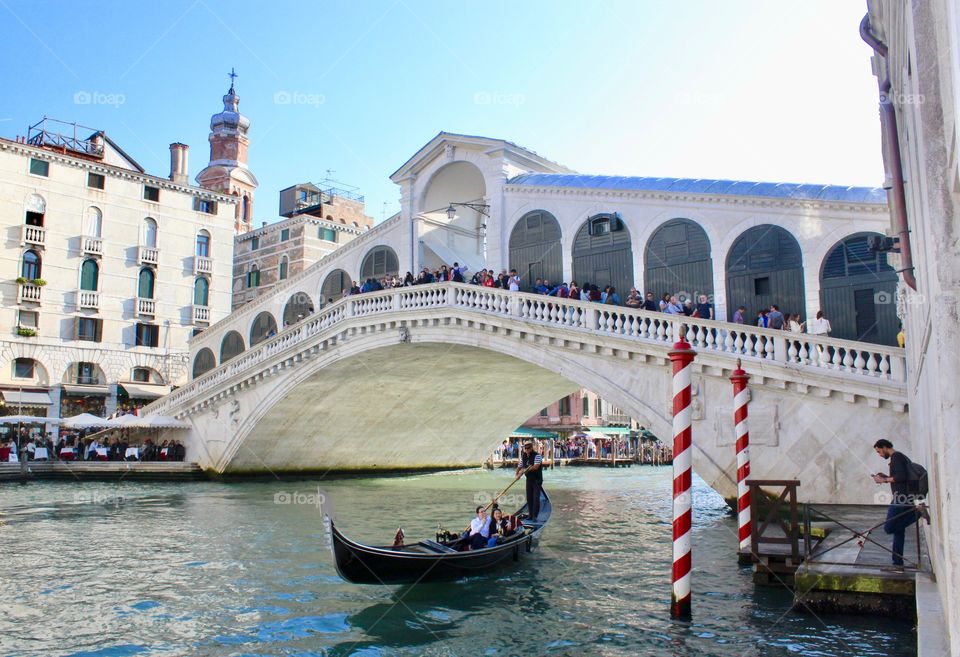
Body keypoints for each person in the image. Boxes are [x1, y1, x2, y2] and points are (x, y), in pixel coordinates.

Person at [872, 439, 927, 567]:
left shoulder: (896, 457)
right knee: (898, 531)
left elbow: (901, 477)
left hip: (901, 498)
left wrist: (884, 480)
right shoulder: (900, 457)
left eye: (879, 451)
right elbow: (901, 478)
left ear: (885, 447)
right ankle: (897, 564)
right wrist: (884, 477)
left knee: (889, 527)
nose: (880, 455)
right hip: (905, 497)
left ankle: (917, 512)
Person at [516, 441, 544, 520]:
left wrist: (524, 470)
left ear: (531, 448)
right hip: (529, 479)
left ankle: (535, 516)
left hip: (537, 480)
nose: (527, 450)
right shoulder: (524, 456)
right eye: (526, 448)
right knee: (529, 498)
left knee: (535, 498)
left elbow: (536, 467)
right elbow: (520, 466)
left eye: (528, 448)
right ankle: (530, 515)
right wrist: (517, 474)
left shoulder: (537, 456)